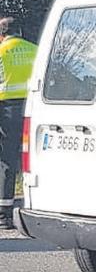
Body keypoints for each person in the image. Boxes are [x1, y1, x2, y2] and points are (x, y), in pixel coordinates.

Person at [0, 17, 37, 229]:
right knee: (30, 159)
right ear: (20, 31)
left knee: (7, 161)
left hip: (7, 111)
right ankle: (34, 206)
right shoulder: (35, 49)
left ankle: (4, 214)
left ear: (2, 34)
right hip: (34, 109)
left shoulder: (2, 51)